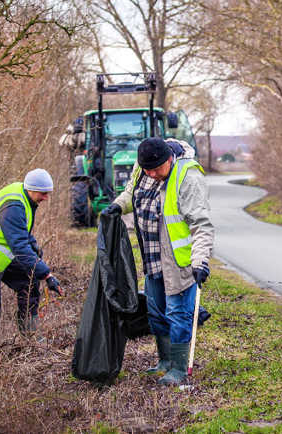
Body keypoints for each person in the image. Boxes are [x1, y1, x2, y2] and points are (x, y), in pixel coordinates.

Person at [101, 138, 214, 385]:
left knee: (177, 312)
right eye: (147, 170)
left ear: (169, 159)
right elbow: (132, 193)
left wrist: (201, 261)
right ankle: (164, 361)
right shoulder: (143, 168)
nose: (152, 175)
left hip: (179, 260)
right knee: (156, 312)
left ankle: (179, 368)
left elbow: (201, 226)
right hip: (152, 256)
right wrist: (118, 207)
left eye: (156, 169)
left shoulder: (188, 177)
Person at [0, 169, 63, 355]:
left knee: (28, 281)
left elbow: (22, 233)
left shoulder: (25, 196)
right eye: (43, 193)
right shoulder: (13, 206)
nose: (46, 198)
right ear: (31, 189)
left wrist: (35, 248)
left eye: (48, 193)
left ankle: (30, 334)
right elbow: (20, 247)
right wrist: (46, 274)